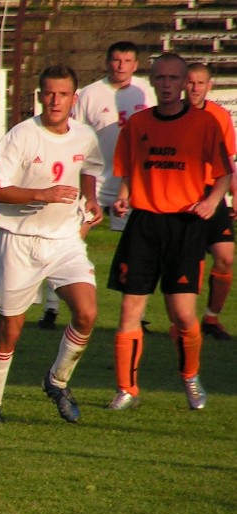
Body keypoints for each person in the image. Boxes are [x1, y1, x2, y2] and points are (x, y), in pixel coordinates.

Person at [107, 53, 232, 411]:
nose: (167, 84)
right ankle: (126, 388)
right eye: (160, 78)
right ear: (152, 80)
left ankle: (190, 376)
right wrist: (124, 196)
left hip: (185, 225)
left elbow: (223, 171)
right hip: (144, 224)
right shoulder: (138, 124)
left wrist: (212, 201)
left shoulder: (205, 124)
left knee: (182, 315)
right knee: (130, 309)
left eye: (173, 78)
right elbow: (129, 169)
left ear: (182, 82)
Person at [0, 64, 104, 424]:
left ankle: (57, 380)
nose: (55, 100)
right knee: (10, 331)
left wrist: (91, 200)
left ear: (74, 98)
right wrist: (41, 194)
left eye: (63, 94)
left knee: (87, 312)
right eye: (49, 93)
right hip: (18, 242)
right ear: (40, 96)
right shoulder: (21, 135)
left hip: (64, 240)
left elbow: (90, 169)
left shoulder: (85, 136)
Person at [38, 41, 156, 330]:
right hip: (92, 179)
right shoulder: (91, 94)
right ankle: (51, 310)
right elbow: (70, 132)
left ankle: (137, 316)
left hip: (131, 181)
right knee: (65, 241)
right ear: (107, 62)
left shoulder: (145, 92)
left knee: (139, 249)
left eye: (127, 60)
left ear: (135, 64)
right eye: (116, 60)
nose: (121, 65)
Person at [185, 62, 237, 341]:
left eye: (200, 83)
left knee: (225, 257)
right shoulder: (175, 115)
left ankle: (211, 319)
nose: (195, 88)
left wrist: (235, 193)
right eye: (190, 82)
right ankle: (185, 321)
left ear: (209, 86)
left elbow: (228, 160)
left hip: (215, 193)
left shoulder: (220, 116)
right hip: (185, 193)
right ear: (184, 84)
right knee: (190, 260)